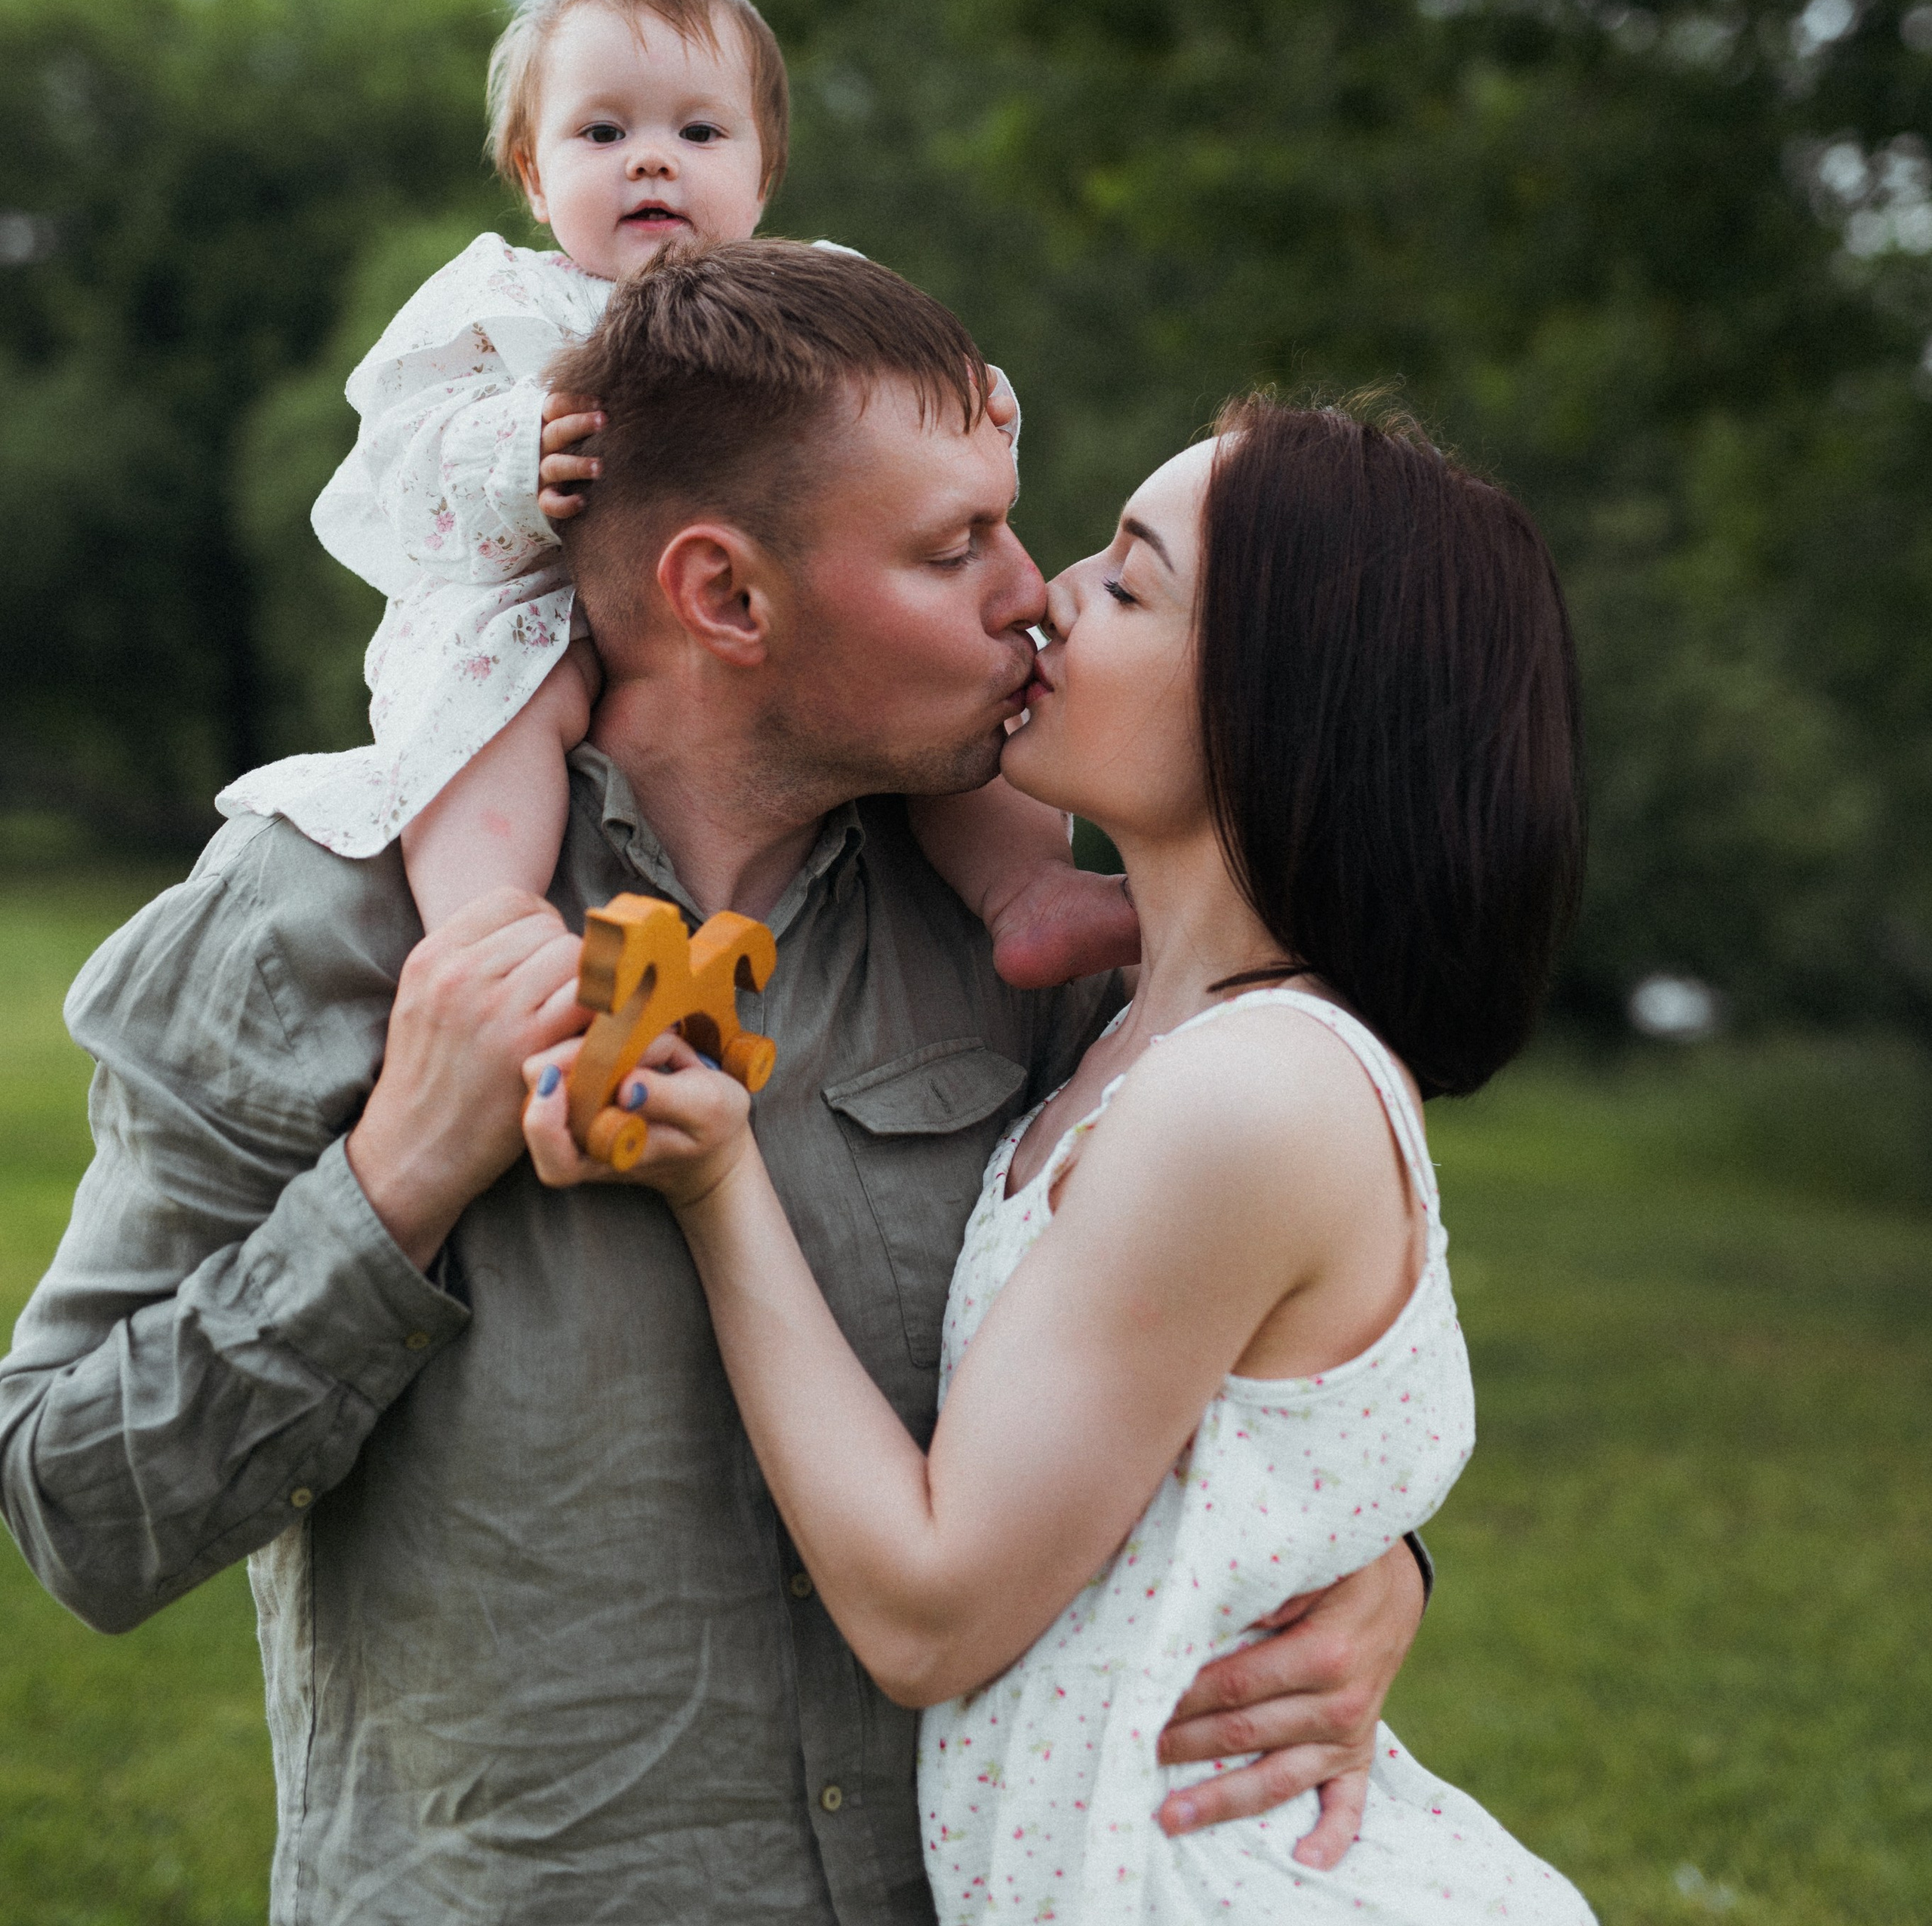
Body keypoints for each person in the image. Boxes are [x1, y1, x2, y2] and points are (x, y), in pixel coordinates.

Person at [0, 244, 1428, 1926]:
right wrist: (394, 1180)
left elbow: (1215, 1343)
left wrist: (1375, 1564)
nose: (1028, 593)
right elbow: (77, 1508)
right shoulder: (317, 909)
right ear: (726, 597)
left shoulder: (1025, 947)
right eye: (951, 545)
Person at [524, 386, 1595, 1923]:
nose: (1042, 595)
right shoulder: (1130, 1039)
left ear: (1270, 702)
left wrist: (714, 1181)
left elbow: (927, 1610)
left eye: (1125, 577)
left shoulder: (1248, 1097)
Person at [214, 0, 1136, 986]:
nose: (651, 159)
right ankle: (489, 935)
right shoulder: (502, 308)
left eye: (699, 131)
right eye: (603, 131)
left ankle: (1027, 891)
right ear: (532, 171)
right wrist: (509, 450)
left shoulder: (816, 293)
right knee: (486, 702)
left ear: (763, 170)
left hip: (770, 624)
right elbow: (397, 460)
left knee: (961, 678)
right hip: (538, 598)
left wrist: (978, 398)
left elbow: (917, 444)